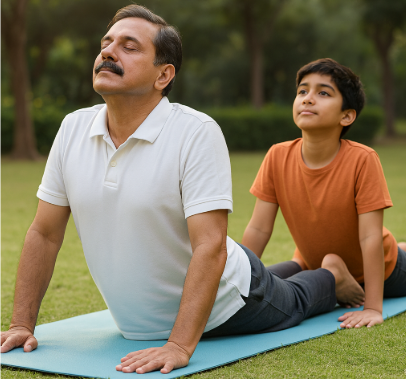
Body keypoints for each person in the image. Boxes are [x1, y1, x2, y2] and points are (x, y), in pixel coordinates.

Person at [0, 7, 364, 375]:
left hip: (227, 302)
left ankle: (332, 275)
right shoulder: (72, 128)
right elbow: (44, 234)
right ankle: (301, 265)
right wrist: (21, 325)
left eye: (129, 46)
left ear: (164, 74)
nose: (108, 52)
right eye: (106, 43)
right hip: (149, 317)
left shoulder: (195, 132)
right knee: (278, 277)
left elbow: (210, 246)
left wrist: (178, 345)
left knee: (295, 300)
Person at [243, 58, 406, 332]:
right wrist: (239, 276)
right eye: (302, 91)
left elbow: (370, 237)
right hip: (311, 262)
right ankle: (338, 268)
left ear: (347, 116)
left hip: (384, 270)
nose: (308, 99)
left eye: (323, 93)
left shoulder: (363, 159)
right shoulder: (277, 155)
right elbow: (259, 228)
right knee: (266, 283)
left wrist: (373, 308)